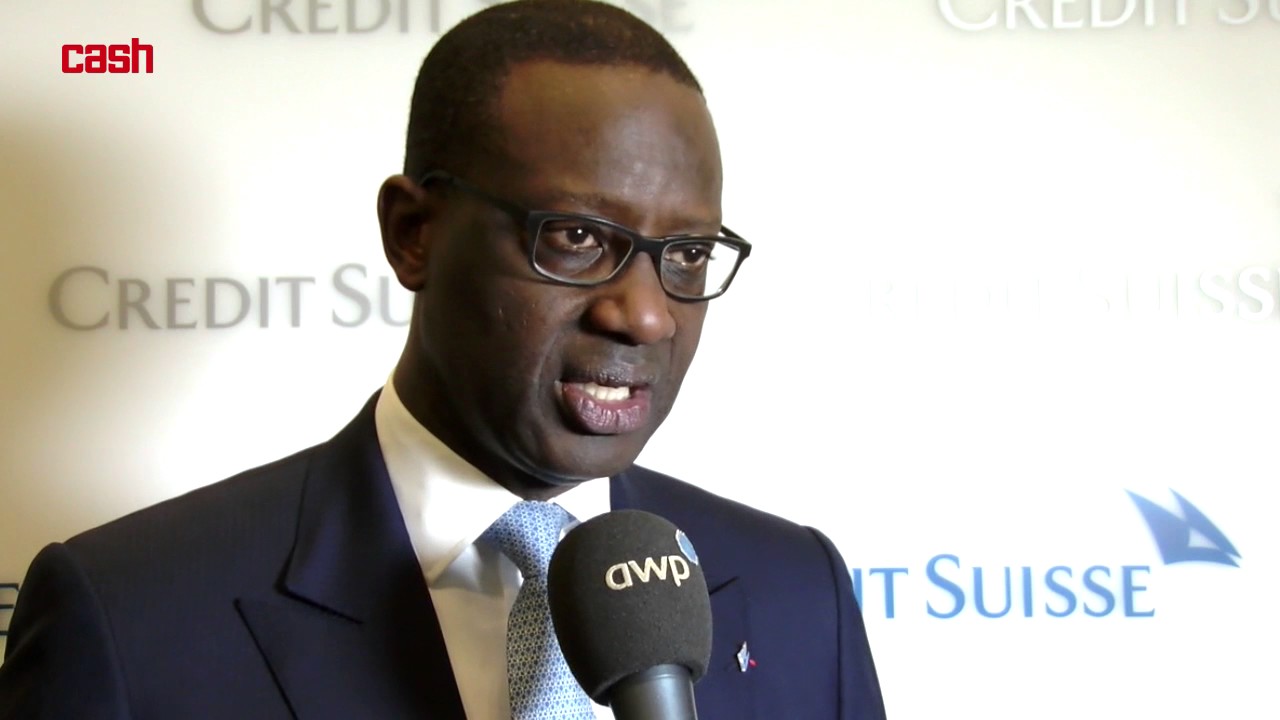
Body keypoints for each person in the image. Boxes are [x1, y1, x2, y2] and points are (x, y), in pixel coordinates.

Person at [0, 1, 886, 718]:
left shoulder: (796, 591)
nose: (646, 315)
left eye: (687, 254)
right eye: (577, 238)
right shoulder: (129, 613)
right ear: (413, 234)